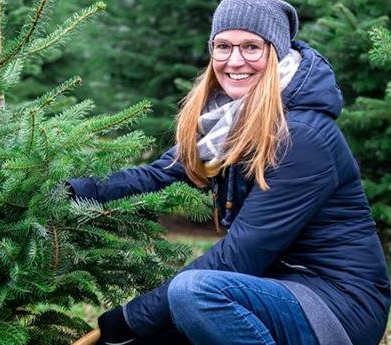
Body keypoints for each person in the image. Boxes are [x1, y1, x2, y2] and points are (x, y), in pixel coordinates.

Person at [67, 1, 391, 344]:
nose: (235, 61)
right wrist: (68, 191)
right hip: (271, 288)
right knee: (159, 332)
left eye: (251, 47)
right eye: (223, 46)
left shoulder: (303, 135)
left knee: (192, 293)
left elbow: (240, 257)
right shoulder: (227, 121)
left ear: (277, 53)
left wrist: (132, 318)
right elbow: (158, 177)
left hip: (335, 305)